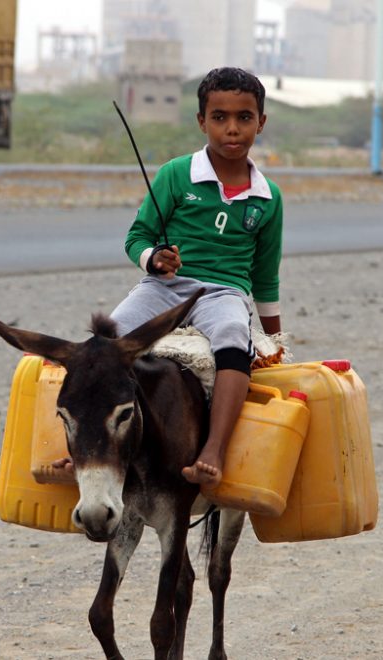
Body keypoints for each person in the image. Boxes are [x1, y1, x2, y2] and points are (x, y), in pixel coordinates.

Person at [94, 67, 284, 490]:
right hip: (164, 289)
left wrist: (277, 342)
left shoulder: (270, 198)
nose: (231, 129)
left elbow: (265, 277)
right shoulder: (176, 174)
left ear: (261, 122)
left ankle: (212, 451)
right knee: (105, 344)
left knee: (235, 334)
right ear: (202, 121)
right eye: (219, 117)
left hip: (225, 293)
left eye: (244, 118)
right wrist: (154, 259)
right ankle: (86, 451)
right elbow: (137, 237)